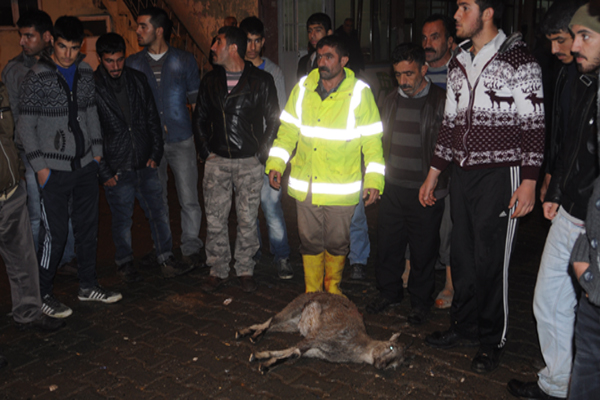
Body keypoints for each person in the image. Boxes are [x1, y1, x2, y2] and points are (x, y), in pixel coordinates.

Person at [419, 0, 545, 374]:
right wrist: (433, 173)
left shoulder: (520, 60)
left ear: (487, 13)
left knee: (491, 260)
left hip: (500, 173)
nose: (456, 15)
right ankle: (464, 326)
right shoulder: (459, 61)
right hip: (463, 173)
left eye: (464, 7)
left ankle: (493, 339)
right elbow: (450, 122)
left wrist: (529, 181)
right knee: (462, 254)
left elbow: (534, 124)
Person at [507, 2, 591, 399]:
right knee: (553, 299)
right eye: (561, 39)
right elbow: (567, 138)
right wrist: (553, 182)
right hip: (573, 204)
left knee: (572, 303)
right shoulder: (570, 75)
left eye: (574, 37)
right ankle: (559, 381)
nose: (567, 48)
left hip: (587, 211)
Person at [17, 16, 123, 319]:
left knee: (88, 230)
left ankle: (88, 286)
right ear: (53, 42)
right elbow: (26, 127)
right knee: (56, 234)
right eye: (63, 46)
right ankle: (42, 294)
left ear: (82, 47)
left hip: (86, 166)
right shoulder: (37, 76)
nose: (67, 53)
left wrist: (98, 155)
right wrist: (40, 169)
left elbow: (90, 113)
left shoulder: (86, 71)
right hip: (53, 170)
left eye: (74, 48)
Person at [266, 35, 385, 295]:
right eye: (320, 56)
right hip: (306, 184)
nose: (322, 62)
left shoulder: (359, 93)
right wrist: (276, 163)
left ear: (344, 60)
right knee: (309, 242)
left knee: (337, 242)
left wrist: (375, 181)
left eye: (329, 56)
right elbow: (287, 131)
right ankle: (312, 293)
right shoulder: (303, 88)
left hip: (341, 188)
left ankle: (332, 290)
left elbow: (373, 142)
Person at [93, 33, 193, 283]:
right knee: (122, 219)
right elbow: (90, 132)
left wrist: (155, 154)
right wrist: (104, 171)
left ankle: (166, 258)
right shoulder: (92, 87)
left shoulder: (137, 80)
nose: (116, 66)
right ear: (100, 59)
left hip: (145, 163)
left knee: (158, 212)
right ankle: (124, 263)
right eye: (109, 61)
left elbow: (152, 119)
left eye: (119, 60)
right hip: (117, 167)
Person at [193, 26, 280, 293]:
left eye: (217, 42)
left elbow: (274, 120)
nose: (212, 47)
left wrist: (261, 154)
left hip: (249, 162)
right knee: (216, 218)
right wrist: (207, 152)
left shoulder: (261, 80)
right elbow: (199, 119)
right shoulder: (210, 81)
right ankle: (217, 269)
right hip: (217, 161)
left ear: (232, 47)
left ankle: (245, 268)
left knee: (247, 218)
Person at [365, 43, 447, 325]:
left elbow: (448, 148)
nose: (403, 81)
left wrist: (437, 183)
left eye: (409, 74)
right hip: (393, 188)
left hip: (425, 190)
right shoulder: (388, 99)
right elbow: (376, 142)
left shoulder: (441, 101)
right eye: (399, 74)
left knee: (424, 250)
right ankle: (389, 293)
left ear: (424, 69)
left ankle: (421, 302)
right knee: (388, 245)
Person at [127, 7, 204, 268]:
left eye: (143, 26)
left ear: (159, 30)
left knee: (188, 197)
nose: (137, 31)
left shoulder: (185, 60)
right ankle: (162, 246)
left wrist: (200, 140)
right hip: (150, 144)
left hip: (182, 138)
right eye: (137, 26)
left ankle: (191, 246)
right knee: (156, 198)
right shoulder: (133, 63)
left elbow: (196, 102)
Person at [1, 10, 77, 275]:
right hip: (30, 156)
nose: (22, 41)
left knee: (63, 210)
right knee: (34, 214)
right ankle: (34, 267)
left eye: (28, 35)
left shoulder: (64, 66)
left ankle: (65, 259)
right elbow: (12, 120)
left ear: (47, 36)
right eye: (21, 36)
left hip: (61, 154)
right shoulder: (13, 70)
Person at [0, 80, 65, 369]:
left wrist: (18, 170)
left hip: (11, 193)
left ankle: (28, 313)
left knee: (24, 260)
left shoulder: (1, 87)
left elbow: (8, 136)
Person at [239, 16, 293, 279]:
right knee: (247, 206)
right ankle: (254, 252)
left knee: (270, 204)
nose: (252, 46)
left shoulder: (273, 72)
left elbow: (280, 114)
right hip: (242, 150)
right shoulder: (233, 69)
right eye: (247, 41)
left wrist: (278, 155)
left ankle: (282, 256)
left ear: (263, 42)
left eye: (256, 41)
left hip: (269, 149)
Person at [421, 13, 457, 310]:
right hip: (420, 160)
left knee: (449, 224)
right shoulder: (416, 73)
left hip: (451, 164)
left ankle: (450, 281)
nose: (428, 43)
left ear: (449, 41)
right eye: (424, 37)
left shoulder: (459, 72)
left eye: (435, 37)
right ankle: (412, 269)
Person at [297, 13, 333, 80]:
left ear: (329, 33)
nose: (312, 35)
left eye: (318, 30)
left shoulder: (335, 61)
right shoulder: (304, 62)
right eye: (309, 31)